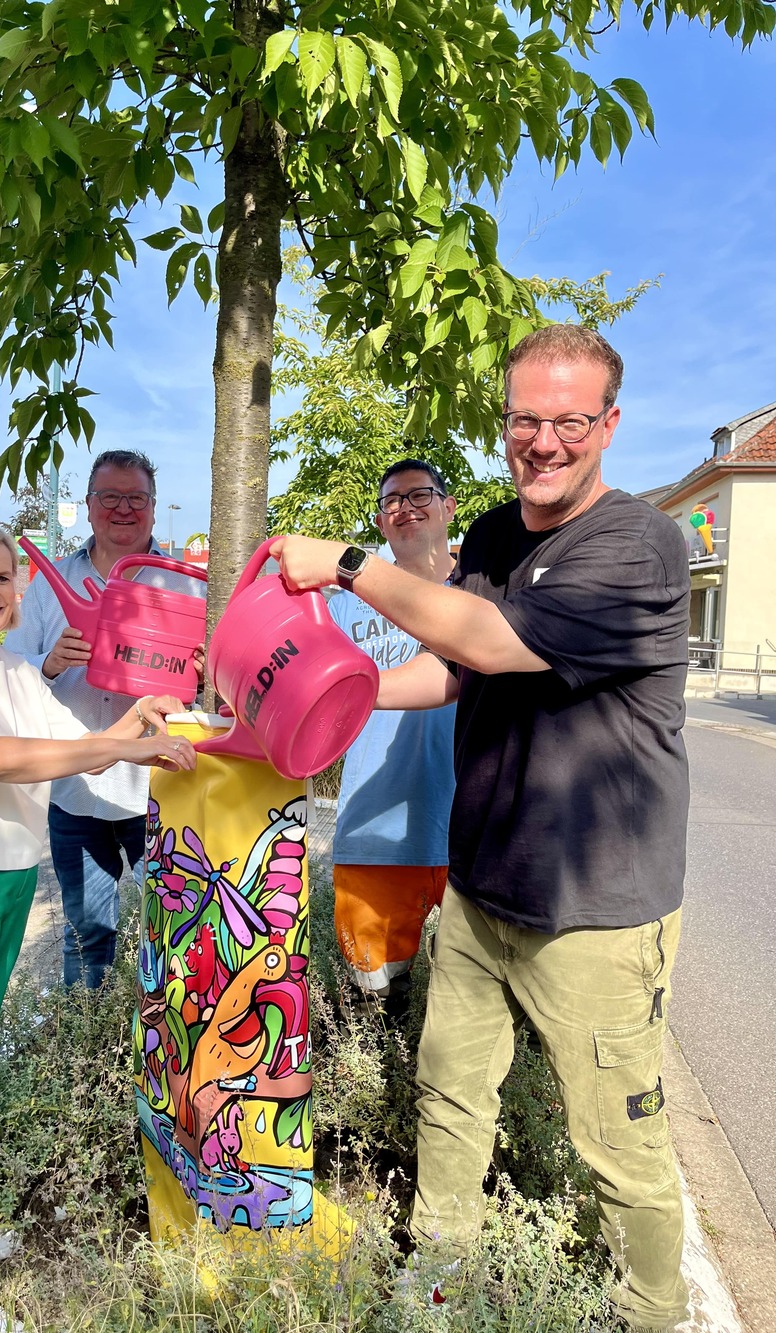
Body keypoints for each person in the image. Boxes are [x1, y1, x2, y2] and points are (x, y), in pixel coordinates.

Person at [271, 325, 691, 1332]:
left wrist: (343, 564)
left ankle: (650, 1309)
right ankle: (438, 1283)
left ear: (608, 424)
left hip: (593, 906)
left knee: (617, 1145)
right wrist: (344, 690)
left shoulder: (637, 544)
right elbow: (452, 668)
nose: (542, 442)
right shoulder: (498, 536)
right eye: (523, 421)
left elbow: (494, 641)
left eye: (567, 422)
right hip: (481, 886)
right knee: (448, 1094)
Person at [0, 522, 195, 1331]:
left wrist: (145, 728)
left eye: (5, 579)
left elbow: (83, 746)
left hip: (7, 876)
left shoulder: (16, 669)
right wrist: (117, 745)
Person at [5, 449, 206, 989]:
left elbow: (217, 680)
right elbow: (10, 665)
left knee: (176, 932)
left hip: (162, 789)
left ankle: (166, 1052)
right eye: (109, 497)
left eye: (135, 498)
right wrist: (49, 662)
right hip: (78, 792)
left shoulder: (189, 585)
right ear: (89, 506)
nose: (123, 508)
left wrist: (207, 675)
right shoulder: (51, 582)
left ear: (154, 508)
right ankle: (86, 1051)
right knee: (88, 934)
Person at [329, 459, 456, 1014]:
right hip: (374, 825)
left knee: (479, 1000)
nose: (405, 507)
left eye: (420, 495)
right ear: (380, 524)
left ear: (449, 507)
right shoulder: (345, 603)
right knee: (376, 1002)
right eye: (391, 502)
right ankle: (383, 1097)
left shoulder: (483, 590)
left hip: (474, 829)